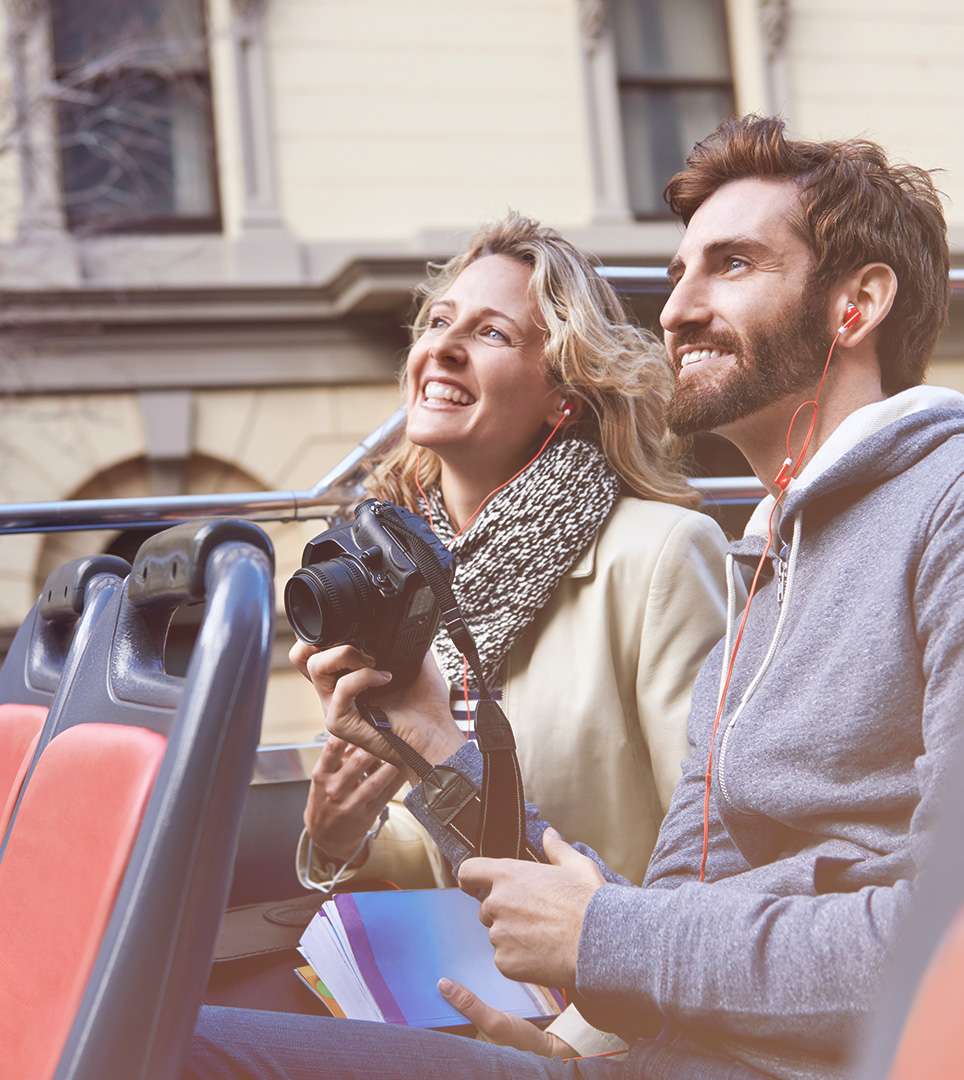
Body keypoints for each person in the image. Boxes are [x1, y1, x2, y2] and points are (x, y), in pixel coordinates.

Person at [186, 116, 964, 1080]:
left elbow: (941, 953)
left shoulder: (944, 509)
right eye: (679, 273)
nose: (675, 310)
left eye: (732, 264)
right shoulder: (768, 562)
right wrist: (432, 746)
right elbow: (664, 902)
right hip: (639, 1053)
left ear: (858, 304)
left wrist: (604, 951)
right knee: (151, 1034)